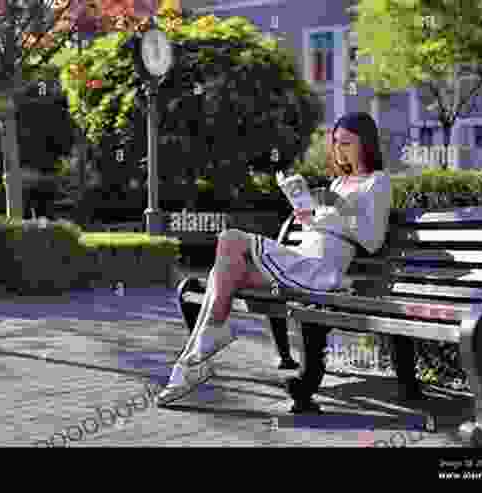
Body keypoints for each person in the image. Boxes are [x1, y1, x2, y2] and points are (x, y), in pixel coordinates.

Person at [157, 112, 414, 410]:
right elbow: (327, 225)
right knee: (225, 270)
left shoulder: (377, 183)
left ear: (366, 144)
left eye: (347, 143)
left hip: (320, 272)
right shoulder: (339, 184)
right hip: (300, 262)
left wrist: (339, 207)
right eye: (336, 143)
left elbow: (373, 241)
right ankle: (192, 362)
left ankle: (205, 347)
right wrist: (308, 214)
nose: (340, 149)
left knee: (230, 238)